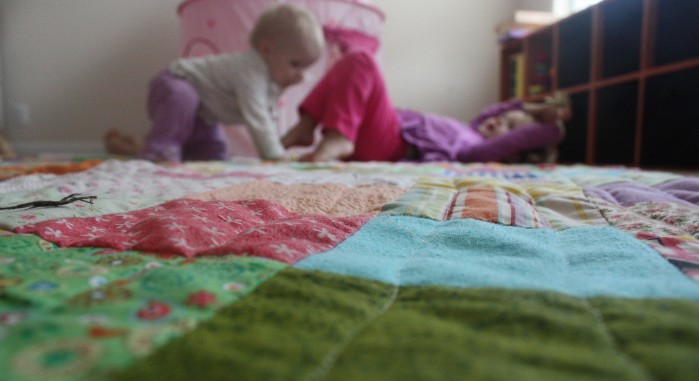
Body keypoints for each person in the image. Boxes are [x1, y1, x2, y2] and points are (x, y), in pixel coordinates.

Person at [282, 33, 570, 164]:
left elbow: (521, 138)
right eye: (502, 119)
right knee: (349, 61)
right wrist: (526, 106)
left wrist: (551, 128)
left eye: (508, 128)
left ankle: (339, 136)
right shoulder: (470, 128)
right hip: (385, 130)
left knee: (361, 59)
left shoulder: (475, 151)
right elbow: (495, 110)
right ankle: (306, 126)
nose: (498, 122)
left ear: (508, 148)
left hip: (390, 144)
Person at [105, 3, 324, 162]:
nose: (299, 75)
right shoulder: (251, 69)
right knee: (182, 99)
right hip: (174, 83)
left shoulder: (270, 80)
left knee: (214, 155)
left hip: (204, 111)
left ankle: (137, 147)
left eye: (305, 68)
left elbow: (269, 114)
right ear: (266, 49)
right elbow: (258, 117)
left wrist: (276, 145)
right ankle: (159, 149)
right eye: (295, 65)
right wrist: (274, 155)